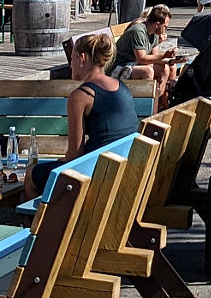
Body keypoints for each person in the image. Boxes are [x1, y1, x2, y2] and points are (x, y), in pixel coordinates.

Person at [24, 31, 140, 197]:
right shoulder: (121, 87)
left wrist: (61, 161)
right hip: (122, 167)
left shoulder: (81, 96)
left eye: (72, 59)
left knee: (31, 174)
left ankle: (39, 222)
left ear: (82, 58)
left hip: (94, 173)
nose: (70, 65)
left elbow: (74, 154)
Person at [110, 3, 178, 102]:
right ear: (157, 24)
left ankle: (161, 104)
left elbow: (155, 57)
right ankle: (146, 106)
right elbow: (141, 59)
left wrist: (173, 60)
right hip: (120, 66)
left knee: (166, 69)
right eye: (165, 27)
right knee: (147, 71)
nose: (165, 30)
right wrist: (165, 55)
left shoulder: (154, 33)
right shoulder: (138, 31)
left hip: (134, 64)